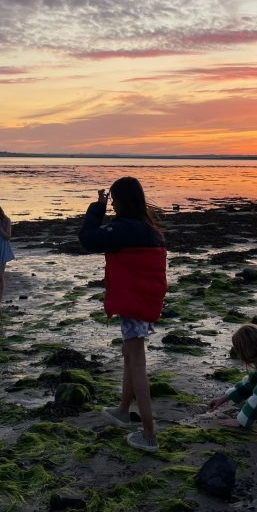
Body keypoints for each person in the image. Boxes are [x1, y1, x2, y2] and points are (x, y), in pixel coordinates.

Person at [79, 177, 167, 453]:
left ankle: (149, 434)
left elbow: (87, 239)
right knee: (130, 356)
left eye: (115, 199)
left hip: (133, 305)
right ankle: (122, 410)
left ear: (123, 200)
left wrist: (97, 208)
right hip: (142, 302)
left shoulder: (125, 230)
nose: (113, 203)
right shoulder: (149, 229)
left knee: (137, 363)